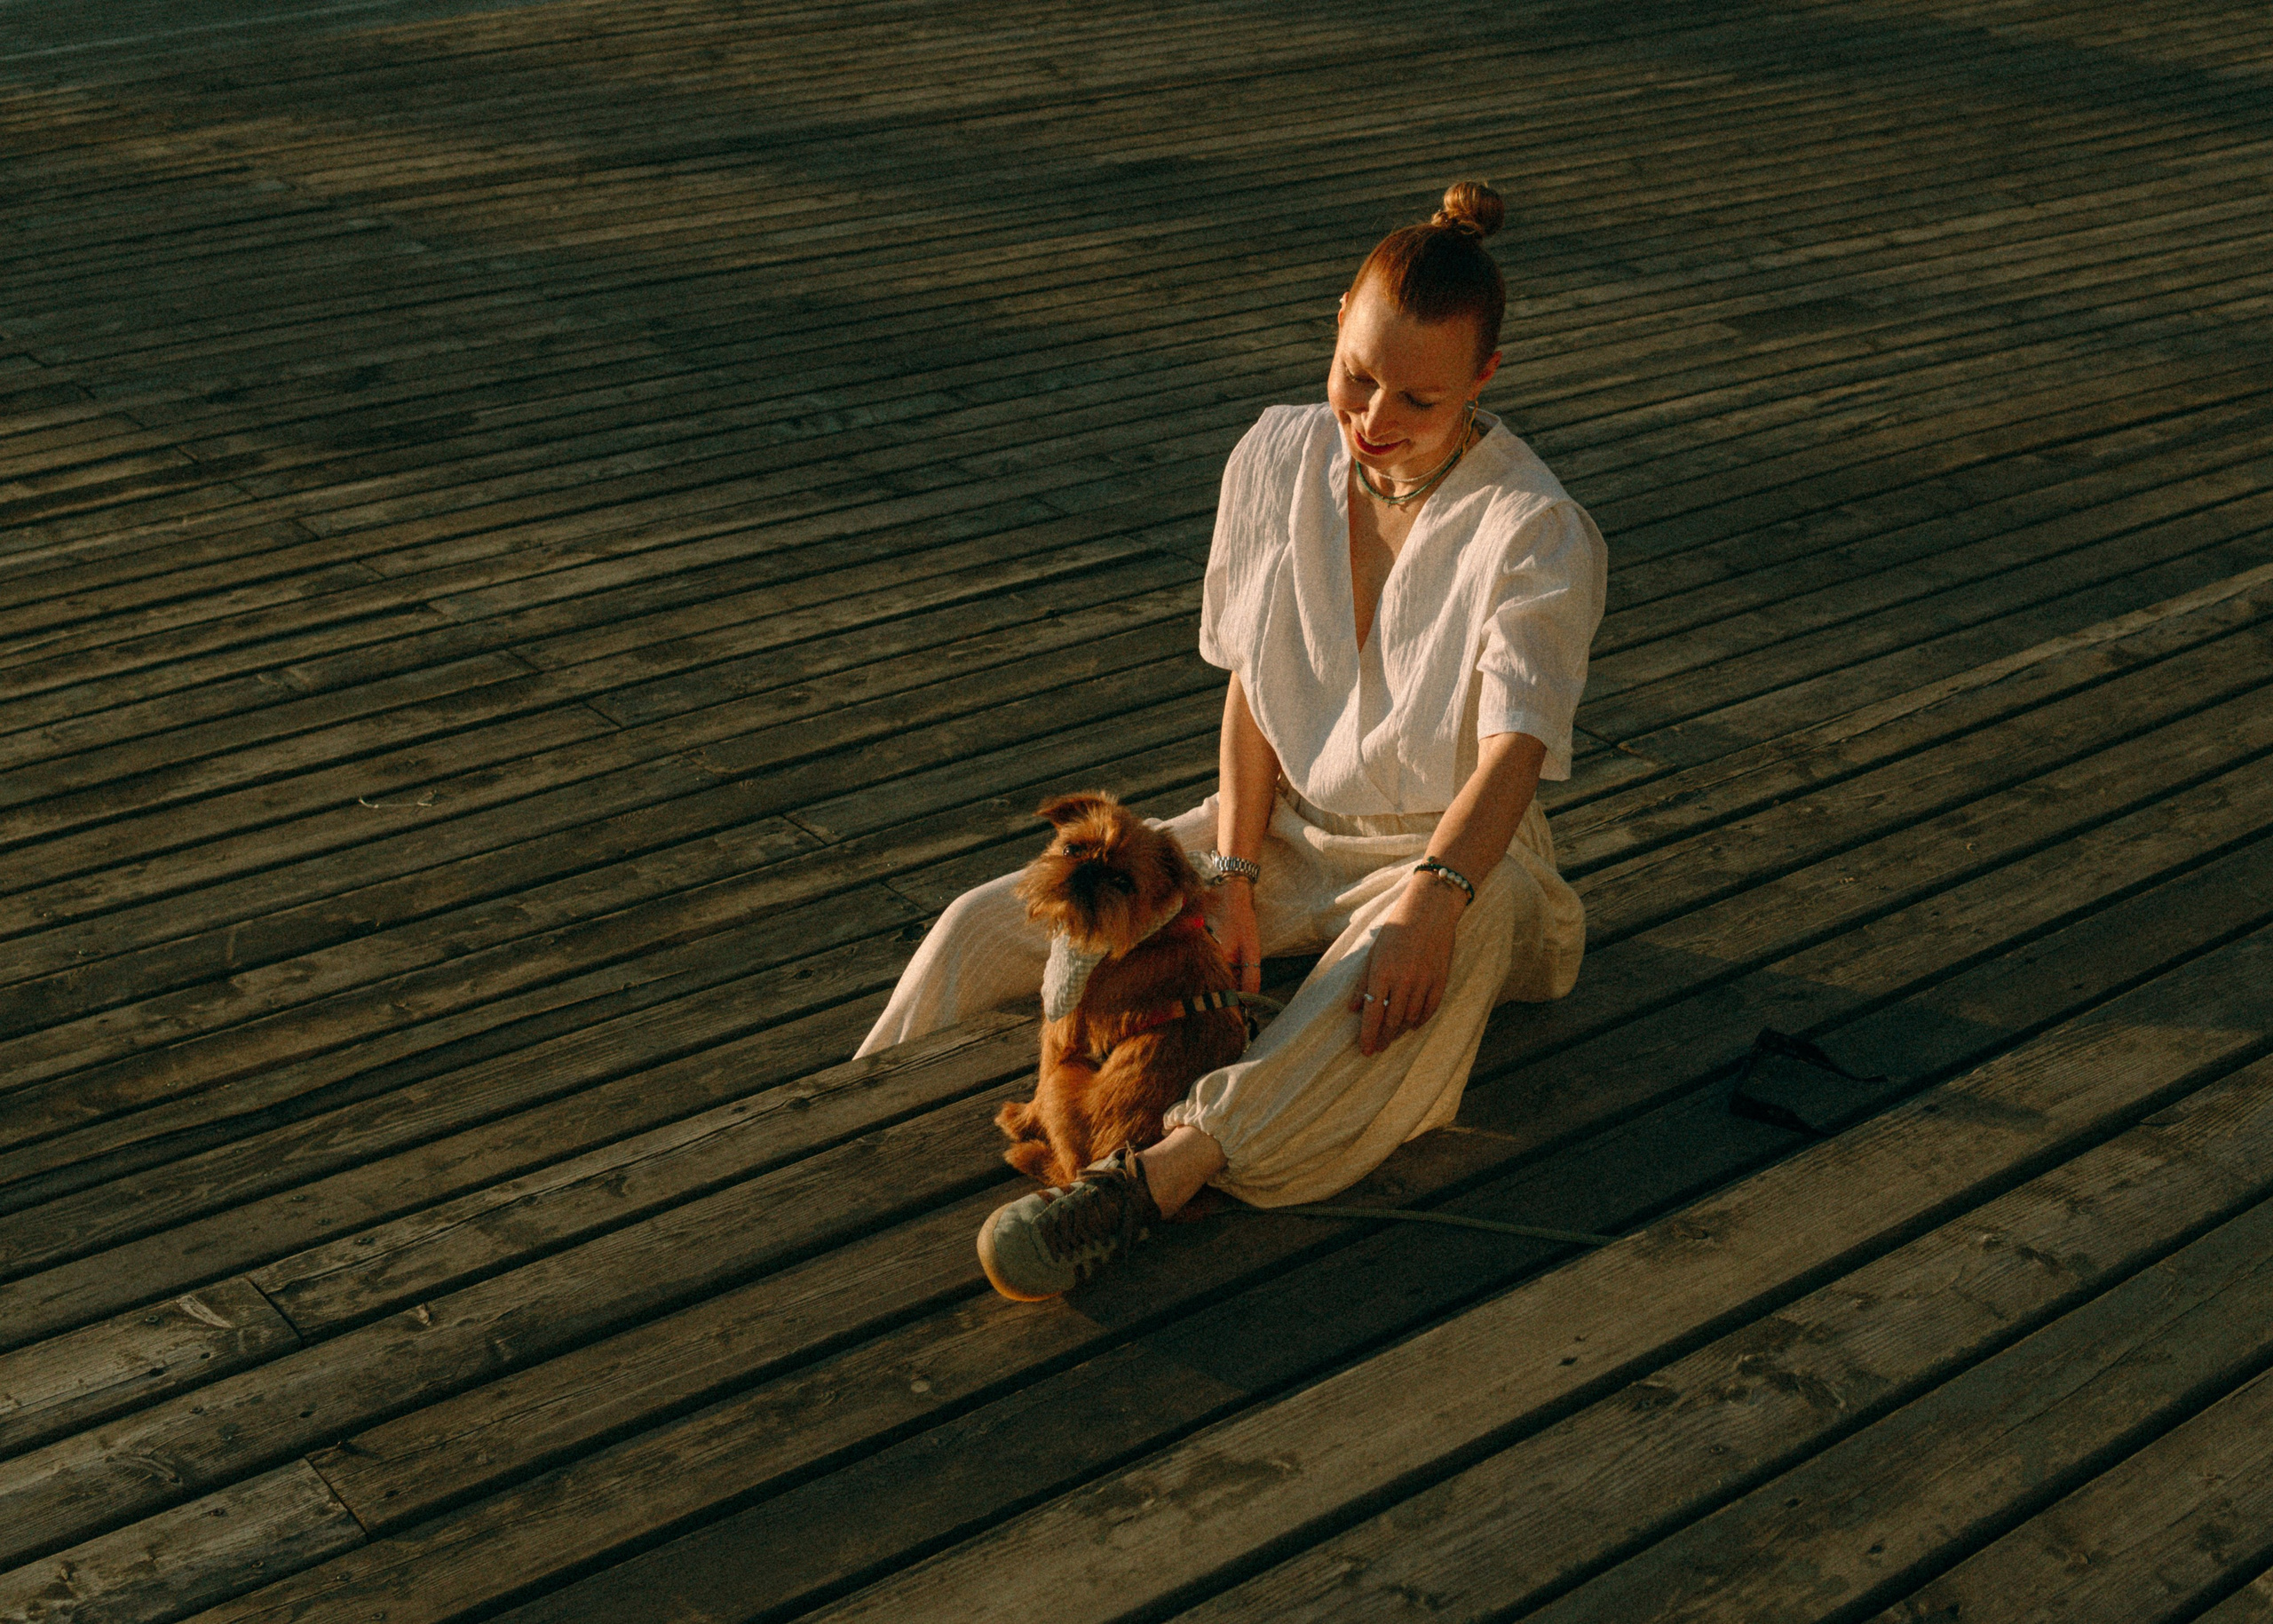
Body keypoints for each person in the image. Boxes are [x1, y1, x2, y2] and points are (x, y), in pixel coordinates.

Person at [857, 180, 1607, 1300]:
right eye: (1357, 373)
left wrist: (1432, 896)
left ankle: (1149, 1179)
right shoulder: (1275, 458)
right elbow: (1256, 686)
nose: (1373, 415)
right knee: (994, 923)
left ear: (1484, 380)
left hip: (1457, 856)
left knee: (1363, 997)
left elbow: (1513, 753)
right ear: (1335, 321)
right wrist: (1236, 871)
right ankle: (848, 1118)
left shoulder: (1533, 528)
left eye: (1418, 394)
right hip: (1291, 831)